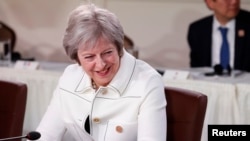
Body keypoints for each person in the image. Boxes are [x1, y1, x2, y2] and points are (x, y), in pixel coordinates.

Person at [33, 3, 166, 141]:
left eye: (107, 52)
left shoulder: (147, 82)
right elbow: (45, 135)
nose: (101, 64)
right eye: (89, 57)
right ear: (76, 57)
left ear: (119, 48)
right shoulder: (69, 77)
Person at [187, 0, 250, 72]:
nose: (234, 2)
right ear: (210, 3)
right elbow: (197, 70)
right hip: (209, 82)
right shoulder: (197, 30)